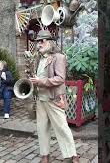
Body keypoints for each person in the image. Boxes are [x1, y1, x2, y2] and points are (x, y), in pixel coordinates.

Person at [29, 30, 80, 163]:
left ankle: (73, 155)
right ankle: (45, 155)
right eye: (38, 41)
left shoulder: (59, 57)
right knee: (42, 128)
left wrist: (41, 81)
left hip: (54, 98)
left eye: (42, 41)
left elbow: (60, 79)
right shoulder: (39, 58)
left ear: (49, 42)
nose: (39, 44)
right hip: (40, 99)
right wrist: (34, 80)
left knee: (62, 127)